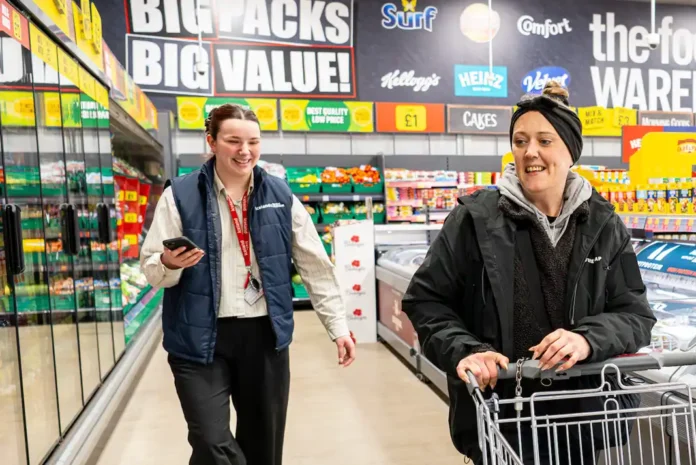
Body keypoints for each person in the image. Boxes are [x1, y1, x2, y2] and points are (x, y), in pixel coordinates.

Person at [401, 82, 655, 464]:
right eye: (520, 141)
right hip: (501, 423)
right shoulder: (474, 219)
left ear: (570, 151)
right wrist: (467, 351)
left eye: (544, 140)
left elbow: (635, 316)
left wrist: (587, 339)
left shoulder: (604, 224)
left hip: (581, 422)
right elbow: (425, 301)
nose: (529, 152)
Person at [140, 103, 356, 465]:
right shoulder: (179, 195)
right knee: (211, 441)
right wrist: (168, 262)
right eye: (233, 141)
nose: (245, 151)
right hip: (198, 337)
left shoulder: (280, 196)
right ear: (211, 142)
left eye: (253, 142)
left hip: (264, 337)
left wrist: (338, 326)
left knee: (263, 446)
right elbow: (150, 269)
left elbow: (315, 266)